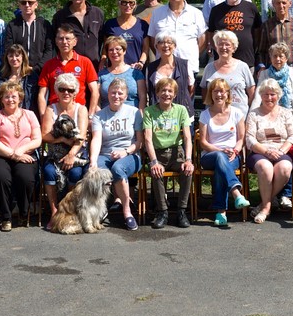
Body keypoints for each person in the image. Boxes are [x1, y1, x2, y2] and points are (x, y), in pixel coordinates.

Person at [0, 82, 42, 231]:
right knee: (1, 176)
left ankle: (23, 212)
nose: (10, 99)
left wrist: (21, 151)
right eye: (6, 96)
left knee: (25, 177)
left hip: (25, 154)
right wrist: (14, 155)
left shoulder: (30, 114)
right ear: (1, 99)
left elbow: (37, 140)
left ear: (20, 98)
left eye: (14, 96)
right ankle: (6, 217)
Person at [89, 78, 144, 231]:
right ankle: (98, 211)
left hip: (130, 154)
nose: (116, 96)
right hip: (106, 154)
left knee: (118, 169)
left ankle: (127, 212)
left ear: (126, 96)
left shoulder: (134, 113)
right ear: (108, 94)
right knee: (95, 171)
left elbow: (140, 142)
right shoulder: (99, 116)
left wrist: (125, 152)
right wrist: (93, 161)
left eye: (120, 93)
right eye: (113, 92)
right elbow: (97, 139)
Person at [142, 78, 194, 229]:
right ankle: (162, 212)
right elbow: (147, 139)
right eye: (163, 90)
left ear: (175, 94)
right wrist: (153, 162)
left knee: (187, 171)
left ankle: (181, 211)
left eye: (170, 91)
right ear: (157, 93)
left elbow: (187, 137)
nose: (166, 94)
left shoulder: (181, 110)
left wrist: (189, 159)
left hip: (176, 152)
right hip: (158, 152)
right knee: (156, 172)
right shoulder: (149, 111)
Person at [198, 79, 250, 227]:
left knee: (221, 168)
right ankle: (236, 192)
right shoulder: (205, 115)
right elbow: (203, 142)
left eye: (222, 91)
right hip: (210, 155)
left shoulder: (236, 113)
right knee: (220, 158)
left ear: (227, 93)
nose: (219, 94)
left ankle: (221, 212)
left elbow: (241, 139)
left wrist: (235, 150)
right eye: (215, 91)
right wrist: (220, 150)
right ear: (211, 94)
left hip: (233, 155)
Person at [246, 79, 293, 224]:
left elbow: (292, 136)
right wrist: (266, 151)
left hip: (281, 151)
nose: (269, 98)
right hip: (259, 151)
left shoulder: (286, 113)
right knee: (266, 167)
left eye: (272, 94)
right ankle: (267, 206)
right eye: (266, 94)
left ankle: (263, 204)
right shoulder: (253, 114)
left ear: (278, 95)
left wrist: (280, 151)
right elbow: (250, 139)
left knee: (285, 168)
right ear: (261, 96)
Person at [41, 73, 89, 227]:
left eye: (70, 90)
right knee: (48, 172)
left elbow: (80, 137)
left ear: (75, 92)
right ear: (56, 91)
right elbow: (44, 135)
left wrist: (71, 155)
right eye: (62, 89)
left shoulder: (81, 110)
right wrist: (61, 139)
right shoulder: (51, 109)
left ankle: (69, 211)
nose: (66, 93)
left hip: (76, 153)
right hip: (55, 154)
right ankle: (54, 212)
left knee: (75, 173)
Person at [147, 0, 208, 75]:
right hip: (163, 69)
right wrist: (164, 55)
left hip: (189, 68)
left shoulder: (196, 14)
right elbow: (153, 41)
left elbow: (203, 41)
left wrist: (192, 54)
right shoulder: (157, 14)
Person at [37, 25, 99, 117]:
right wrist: (43, 117)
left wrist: (90, 116)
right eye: (61, 39)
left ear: (75, 41)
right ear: (56, 41)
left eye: (68, 39)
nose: (64, 42)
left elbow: (95, 91)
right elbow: (42, 94)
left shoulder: (85, 62)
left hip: (78, 112)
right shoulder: (49, 65)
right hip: (54, 112)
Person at [207, 0, 262, 69]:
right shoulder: (216, 10)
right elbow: (211, 34)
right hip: (222, 63)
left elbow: (258, 32)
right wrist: (218, 50)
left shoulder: (251, 8)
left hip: (247, 61)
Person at [51, 0, 105, 69]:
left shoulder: (97, 14)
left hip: (95, 67)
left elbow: (104, 40)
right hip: (69, 69)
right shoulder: (60, 17)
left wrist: (103, 60)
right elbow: (55, 45)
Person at [200, 30, 255, 116]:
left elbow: (252, 93)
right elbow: (204, 91)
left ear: (233, 47)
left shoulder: (243, 67)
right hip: (215, 117)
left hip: (239, 118)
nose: (223, 47)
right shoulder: (209, 68)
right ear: (216, 47)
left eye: (227, 45)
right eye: (220, 44)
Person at [3, 0, 54, 83]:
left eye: (30, 2)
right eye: (23, 2)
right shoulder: (12, 25)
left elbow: (49, 50)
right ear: (19, 5)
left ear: (36, 4)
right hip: (18, 73)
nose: (27, 5)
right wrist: (20, 68)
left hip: (41, 73)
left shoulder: (45, 25)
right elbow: (8, 49)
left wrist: (36, 68)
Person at [145, 31, 195, 120]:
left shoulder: (185, 65)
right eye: (161, 42)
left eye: (169, 42)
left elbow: (191, 88)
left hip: (182, 115)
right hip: (157, 116)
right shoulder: (150, 68)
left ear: (175, 46)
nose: (166, 45)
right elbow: (149, 91)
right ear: (156, 46)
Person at [250, 42, 293, 119]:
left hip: (291, 116)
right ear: (270, 58)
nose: (278, 59)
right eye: (275, 56)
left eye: (281, 56)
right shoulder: (264, 74)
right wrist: (251, 117)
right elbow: (257, 97)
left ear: (286, 58)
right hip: (269, 117)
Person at [99, 0, 150, 70]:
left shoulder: (142, 25)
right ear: (118, 4)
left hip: (136, 70)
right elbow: (105, 48)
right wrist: (103, 60)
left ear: (135, 4)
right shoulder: (110, 24)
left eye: (131, 3)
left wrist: (141, 62)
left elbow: (145, 49)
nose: (128, 6)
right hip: (114, 70)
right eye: (124, 2)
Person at [98, 36, 147, 110]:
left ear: (124, 51)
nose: (114, 52)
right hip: (107, 118)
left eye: (117, 49)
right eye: (111, 50)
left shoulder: (135, 72)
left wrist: (140, 116)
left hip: (132, 117)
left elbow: (143, 97)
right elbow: (96, 99)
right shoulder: (102, 74)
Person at [0, 44, 36, 112]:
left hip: (26, 115)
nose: (14, 59)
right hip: (5, 115)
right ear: (7, 58)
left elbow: (36, 99)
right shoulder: (1, 77)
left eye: (17, 55)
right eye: (11, 56)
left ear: (22, 57)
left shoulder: (31, 76)